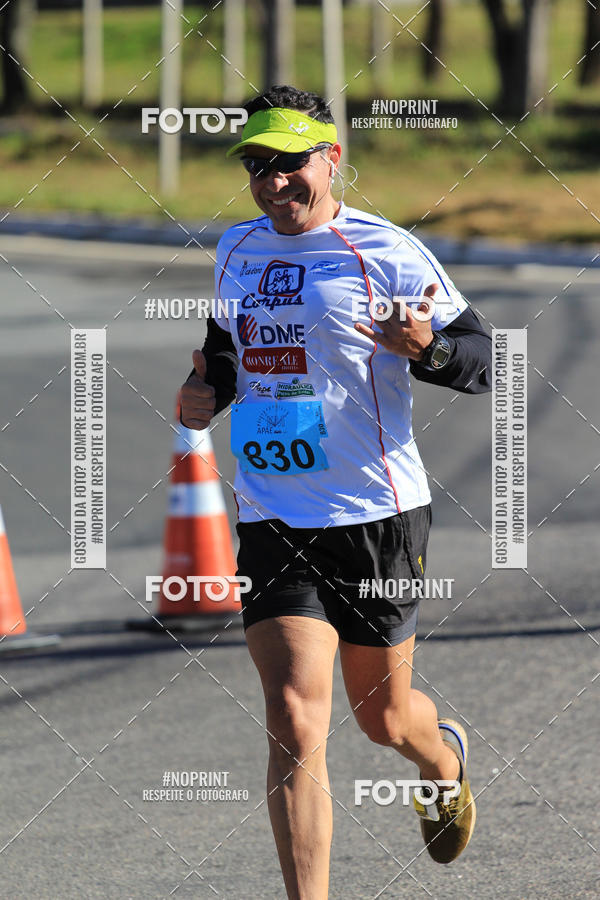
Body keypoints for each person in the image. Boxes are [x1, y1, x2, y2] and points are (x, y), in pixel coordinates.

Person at [181, 85, 491, 899]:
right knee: (293, 722)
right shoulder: (237, 250)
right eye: (258, 168)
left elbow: (483, 360)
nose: (274, 184)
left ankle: (443, 756)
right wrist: (203, 387)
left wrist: (427, 352)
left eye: (290, 166)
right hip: (272, 513)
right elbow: (222, 345)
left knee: (383, 721)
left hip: (375, 515)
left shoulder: (386, 253)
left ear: (332, 159)